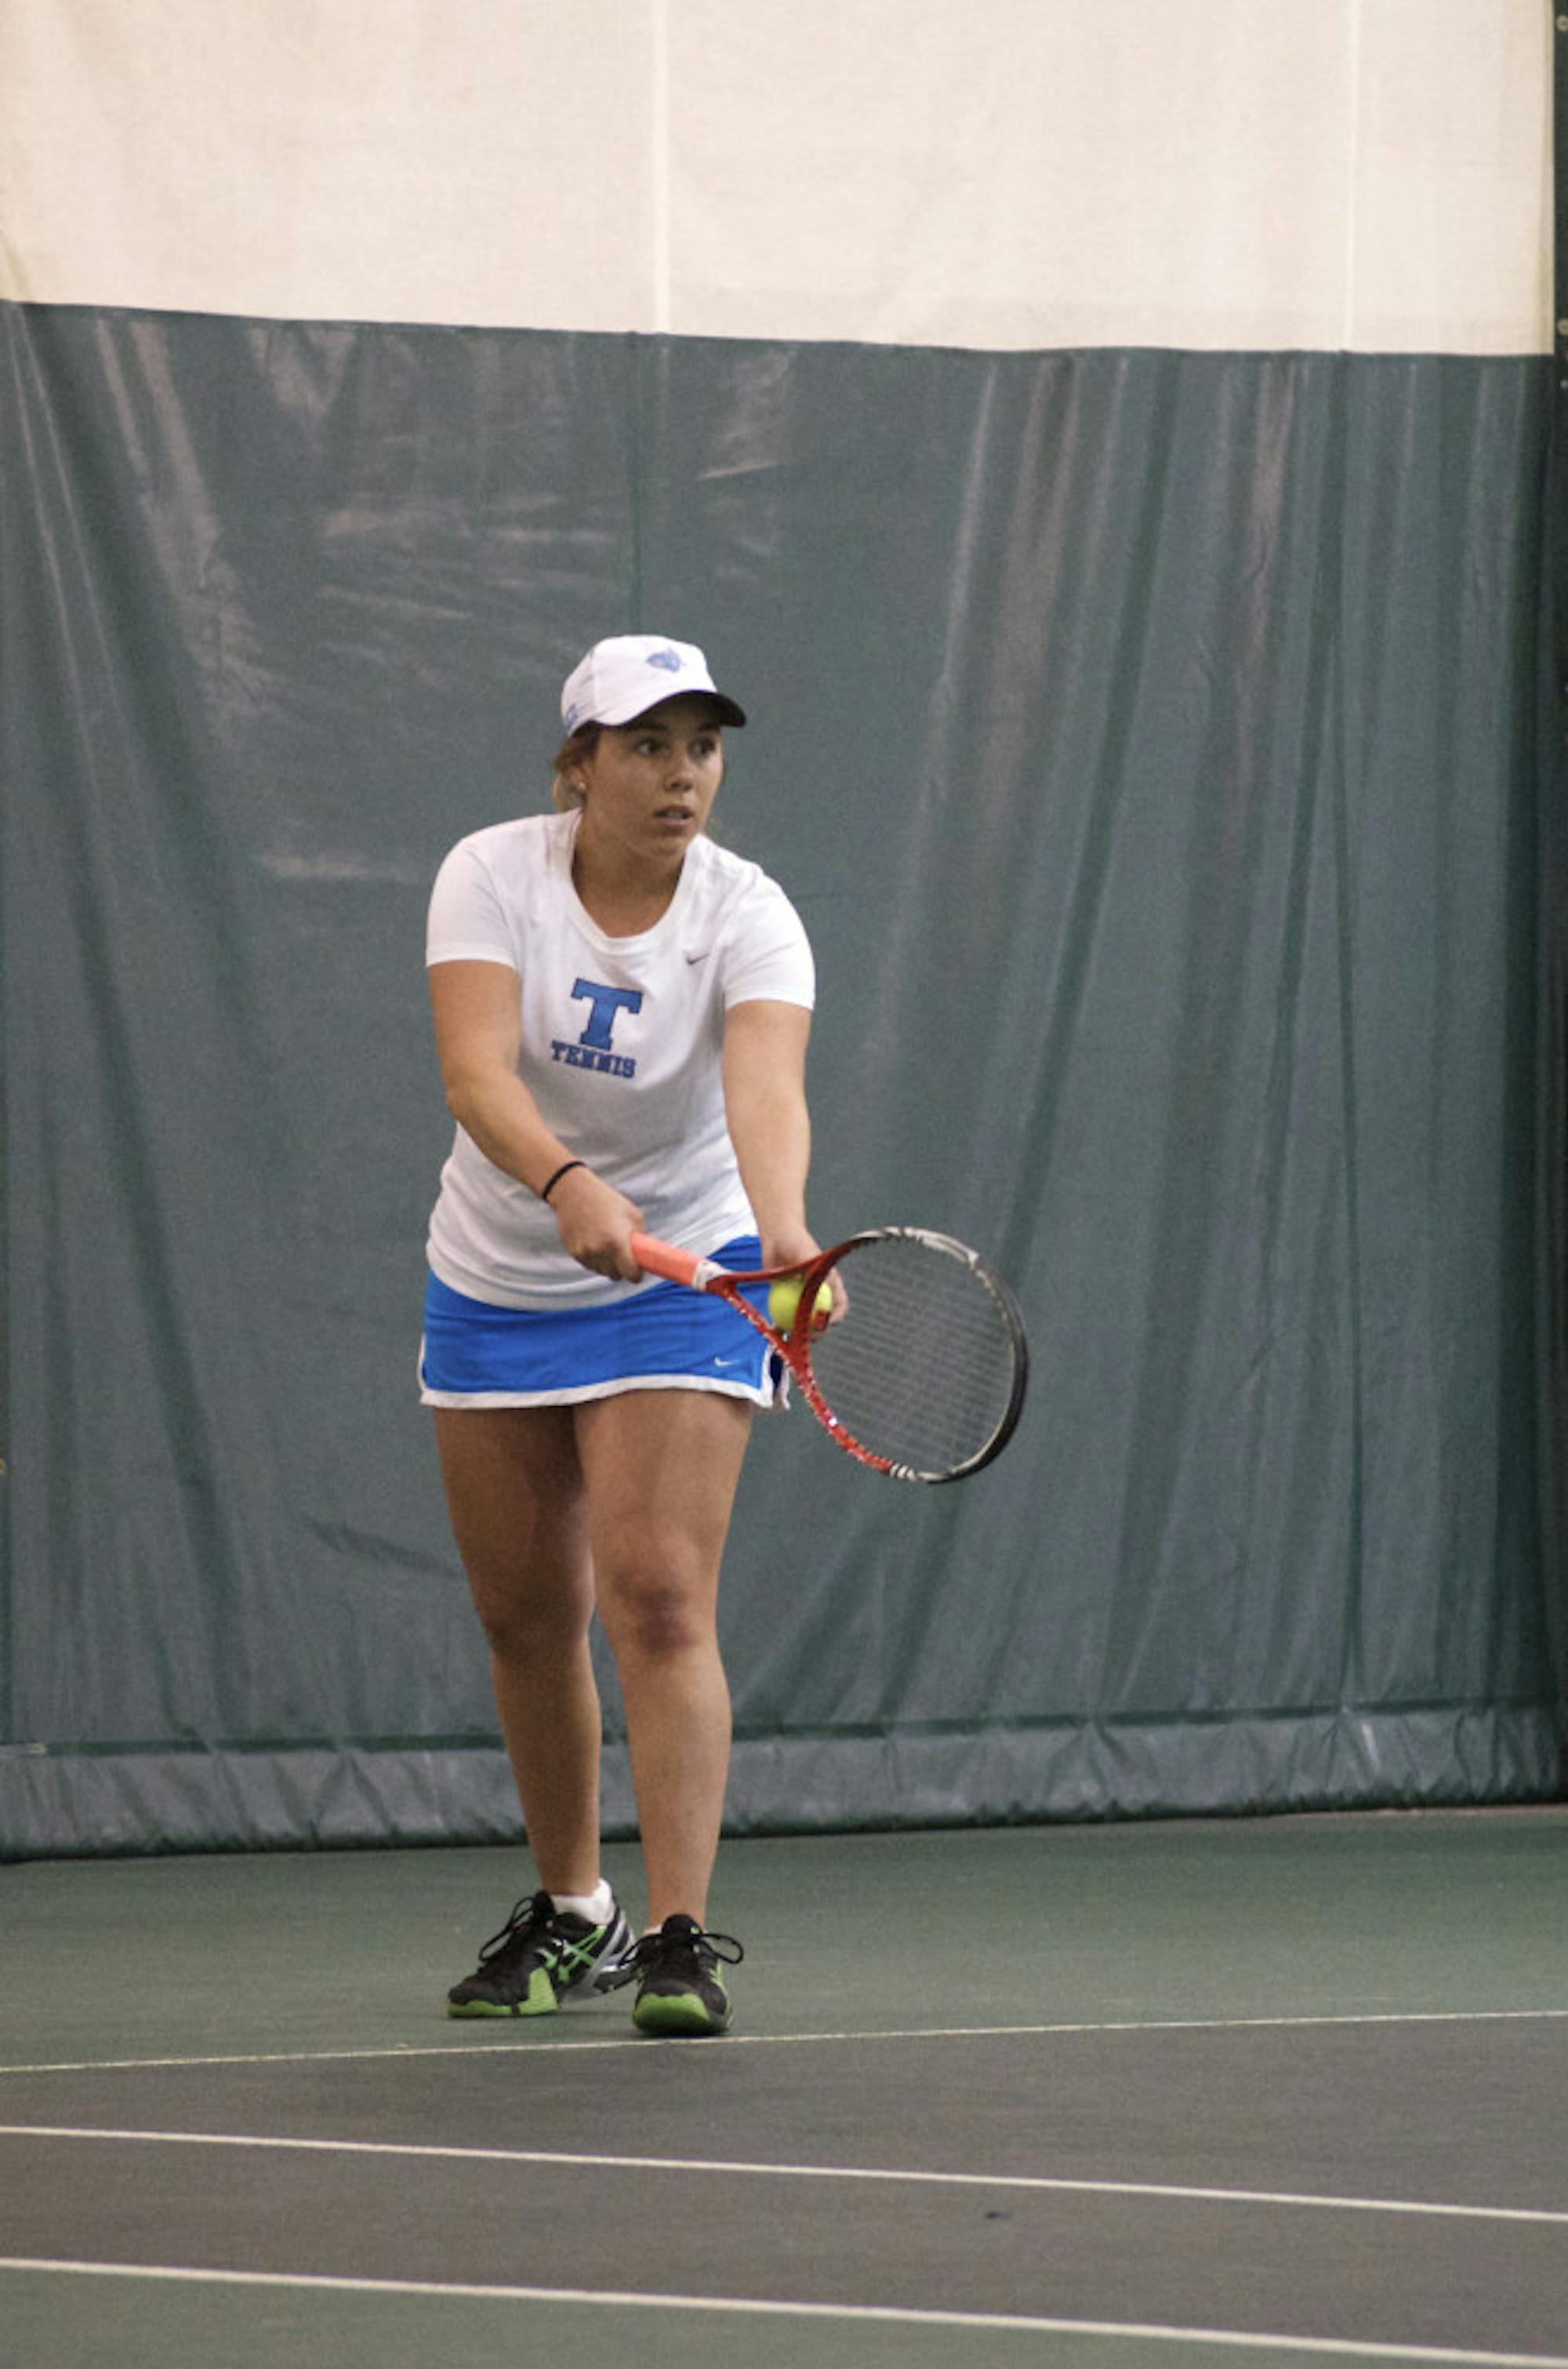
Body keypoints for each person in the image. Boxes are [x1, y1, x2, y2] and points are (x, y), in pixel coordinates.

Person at [419, 632, 830, 2037]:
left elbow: (765, 1088)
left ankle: (678, 1933)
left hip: (688, 1263)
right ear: (578, 764)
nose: (681, 774)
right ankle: (574, 1908)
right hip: (500, 1269)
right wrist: (564, 1183)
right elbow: (474, 1070)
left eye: (702, 746)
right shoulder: (490, 874)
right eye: (648, 745)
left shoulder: (751, 912)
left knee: (657, 1597)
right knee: (527, 1615)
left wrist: (783, 1233)